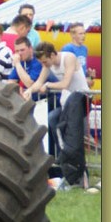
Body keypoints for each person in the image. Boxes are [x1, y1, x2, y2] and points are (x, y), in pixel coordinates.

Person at [26, 41, 91, 188]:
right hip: (67, 103)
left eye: (45, 62)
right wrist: (29, 91)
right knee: (53, 119)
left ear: (52, 55)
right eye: (42, 63)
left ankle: (82, 174)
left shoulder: (68, 58)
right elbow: (38, 82)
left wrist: (48, 85)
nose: (44, 65)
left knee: (76, 138)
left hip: (81, 101)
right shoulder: (47, 64)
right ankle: (65, 159)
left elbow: (65, 84)